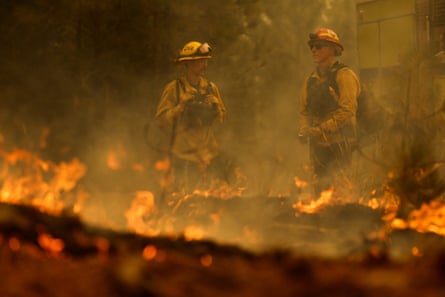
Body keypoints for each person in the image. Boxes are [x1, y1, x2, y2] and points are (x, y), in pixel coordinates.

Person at [155, 41, 226, 195]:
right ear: (188, 63)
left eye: (206, 60)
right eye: (201, 61)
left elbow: (220, 121)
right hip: (183, 157)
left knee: (210, 200)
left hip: (208, 156)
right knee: (183, 200)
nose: (205, 65)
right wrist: (180, 107)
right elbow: (161, 121)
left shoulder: (211, 88)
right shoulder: (175, 88)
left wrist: (215, 108)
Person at [298, 28, 360, 197]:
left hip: (340, 143)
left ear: (333, 49)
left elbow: (348, 109)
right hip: (318, 145)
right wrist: (304, 129)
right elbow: (304, 111)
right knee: (320, 190)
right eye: (312, 47)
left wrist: (322, 129)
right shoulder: (310, 80)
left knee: (340, 188)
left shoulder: (344, 75)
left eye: (319, 46)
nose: (314, 50)